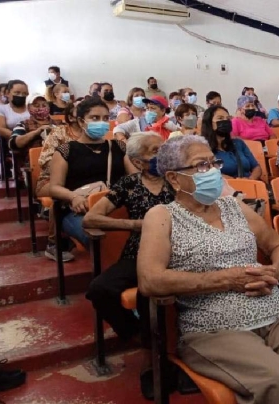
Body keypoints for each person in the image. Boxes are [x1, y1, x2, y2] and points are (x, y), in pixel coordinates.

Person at [137, 135, 279, 404]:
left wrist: (275, 270)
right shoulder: (162, 216)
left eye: (214, 163)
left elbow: (278, 244)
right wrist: (226, 279)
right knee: (277, 384)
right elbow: (149, 280)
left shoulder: (234, 206)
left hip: (276, 315)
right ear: (175, 179)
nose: (214, 171)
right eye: (201, 166)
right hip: (214, 329)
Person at [84, 132, 173, 400]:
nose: (162, 155)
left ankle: (154, 363)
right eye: (154, 151)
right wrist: (135, 225)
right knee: (99, 289)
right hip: (140, 252)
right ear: (137, 160)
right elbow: (91, 218)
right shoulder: (128, 184)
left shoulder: (177, 180)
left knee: (149, 291)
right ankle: (139, 338)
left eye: (163, 149)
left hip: (179, 250)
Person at [49, 98, 135, 249]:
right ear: (81, 122)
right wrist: (73, 197)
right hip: (81, 210)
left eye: (105, 118)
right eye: (95, 118)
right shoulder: (66, 151)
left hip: (116, 207)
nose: (101, 122)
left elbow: (135, 178)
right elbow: (54, 187)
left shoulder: (119, 147)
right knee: (102, 241)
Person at [37, 100, 84, 261]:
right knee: (61, 193)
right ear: (71, 116)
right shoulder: (58, 133)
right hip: (50, 181)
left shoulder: (90, 134)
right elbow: (45, 160)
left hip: (81, 181)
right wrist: (72, 167)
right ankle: (53, 244)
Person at [202, 105, 261, 180]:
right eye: (220, 118)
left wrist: (250, 180)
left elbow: (256, 167)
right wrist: (235, 182)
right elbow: (209, 174)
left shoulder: (238, 143)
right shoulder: (203, 149)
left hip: (250, 185)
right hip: (225, 188)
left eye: (227, 118)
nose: (225, 121)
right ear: (209, 123)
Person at [9, 94, 52, 167]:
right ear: (28, 108)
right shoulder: (23, 125)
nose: (41, 108)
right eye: (36, 106)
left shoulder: (59, 124)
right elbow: (13, 144)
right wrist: (36, 132)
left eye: (44, 105)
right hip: (35, 164)